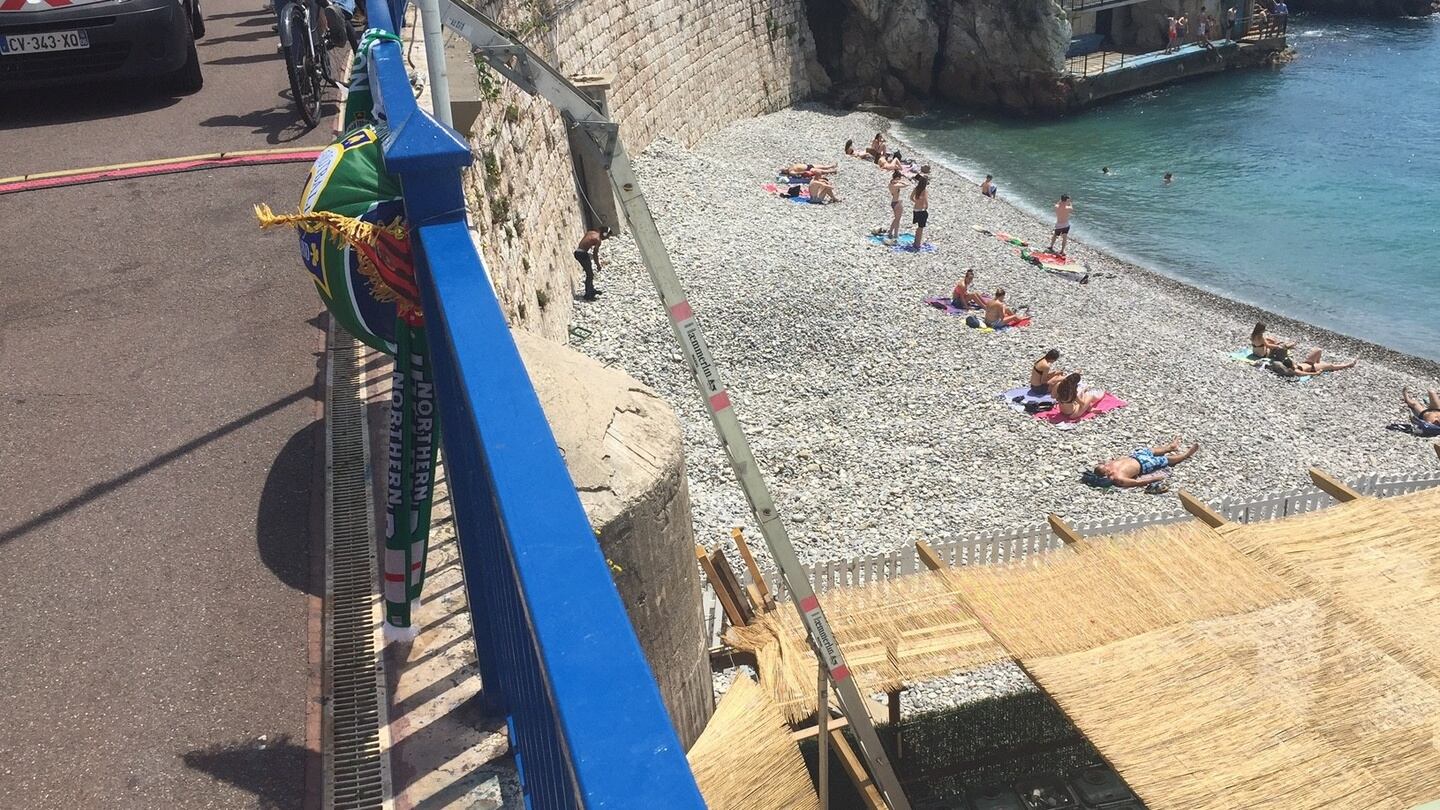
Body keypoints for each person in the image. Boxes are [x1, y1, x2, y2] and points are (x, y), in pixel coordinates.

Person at [1088, 440, 1200, 489]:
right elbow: (1137, 482)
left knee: (1150, 450)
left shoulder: (1109, 465)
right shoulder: (1118, 478)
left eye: (1106, 465)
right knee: (1166, 460)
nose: (1108, 466)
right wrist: (1154, 479)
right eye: (1106, 468)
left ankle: (1170, 447)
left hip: (1135, 456)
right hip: (1143, 465)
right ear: (1106, 474)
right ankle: (1185, 455)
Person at [574, 226, 612, 300]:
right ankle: (588, 295)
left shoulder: (591, 232)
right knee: (590, 274)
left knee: (590, 273)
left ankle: (591, 290)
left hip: (578, 252)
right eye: (607, 236)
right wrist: (598, 265)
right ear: (604, 234)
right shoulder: (598, 240)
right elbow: (595, 254)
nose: (606, 238)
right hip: (582, 254)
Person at [1271, 351, 1357, 377]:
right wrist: (1316, 373)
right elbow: (1305, 373)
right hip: (1313, 367)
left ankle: (1319, 361)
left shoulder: (1292, 366)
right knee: (1331, 366)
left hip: (1308, 362)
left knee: (1318, 350)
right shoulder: (1296, 371)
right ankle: (1349, 365)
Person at [886, 170, 908, 241]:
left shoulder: (890, 185)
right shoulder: (895, 185)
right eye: (899, 178)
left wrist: (895, 181)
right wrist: (900, 182)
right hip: (897, 203)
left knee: (897, 219)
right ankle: (892, 233)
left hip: (893, 202)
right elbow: (906, 184)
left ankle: (895, 233)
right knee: (897, 219)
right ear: (897, 177)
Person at [910, 175, 930, 251]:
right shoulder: (924, 191)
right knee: (920, 228)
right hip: (921, 210)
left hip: (915, 209)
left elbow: (911, 197)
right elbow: (926, 201)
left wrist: (916, 202)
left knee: (918, 227)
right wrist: (926, 207)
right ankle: (917, 244)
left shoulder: (916, 189)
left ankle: (916, 241)